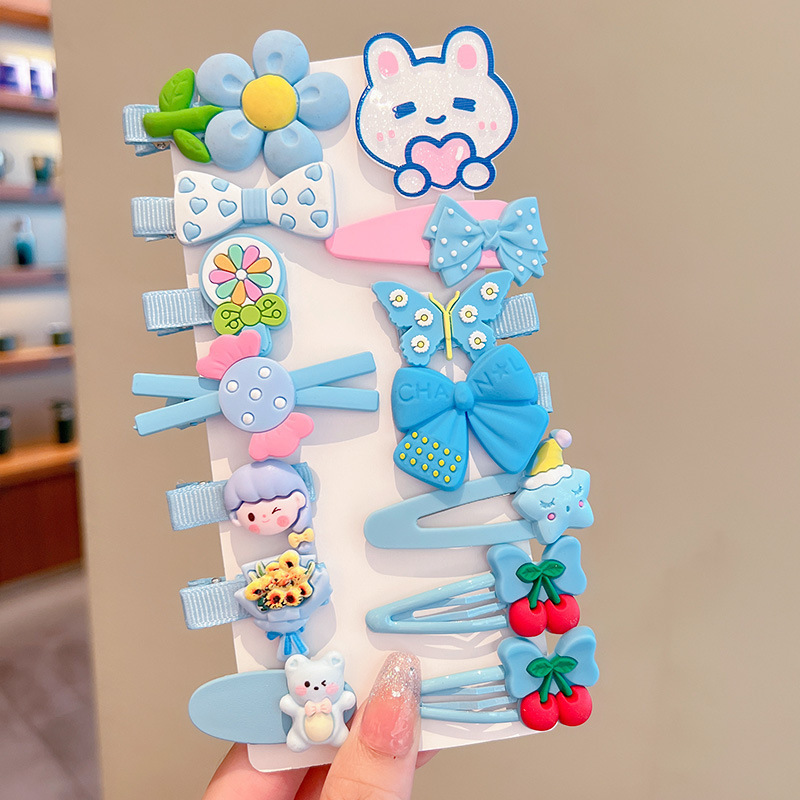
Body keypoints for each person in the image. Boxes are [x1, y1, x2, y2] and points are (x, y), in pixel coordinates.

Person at [203, 652, 435, 800]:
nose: (315, 688)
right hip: (303, 734)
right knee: (298, 742)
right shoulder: (301, 704)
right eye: (306, 684)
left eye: (324, 683)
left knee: (339, 738)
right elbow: (287, 705)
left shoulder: (332, 702)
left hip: (335, 733)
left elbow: (347, 700)